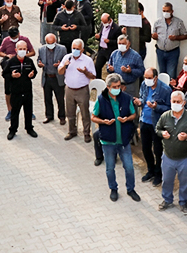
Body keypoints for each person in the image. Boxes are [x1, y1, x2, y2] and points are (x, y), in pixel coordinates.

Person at [92, 73, 140, 202]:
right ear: (108, 87)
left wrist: (126, 119)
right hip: (108, 141)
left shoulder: (126, 98)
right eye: (114, 86)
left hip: (123, 140)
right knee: (110, 168)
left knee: (129, 167)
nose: (117, 88)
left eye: (119, 86)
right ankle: (113, 189)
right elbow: (93, 116)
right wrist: (103, 122)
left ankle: (131, 189)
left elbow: (133, 114)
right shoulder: (101, 100)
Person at [155, 90, 187, 215]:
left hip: (185, 158)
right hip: (168, 156)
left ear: (184, 103)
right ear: (170, 102)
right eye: (174, 101)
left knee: (184, 182)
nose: (175, 104)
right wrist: (162, 133)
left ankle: (183, 202)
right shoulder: (165, 116)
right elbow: (157, 128)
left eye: (178, 102)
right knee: (167, 180)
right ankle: (167, 200)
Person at [134, 67, 172, 186]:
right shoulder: (144, 85)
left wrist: (156, 107)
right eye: (145, 78)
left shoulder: (165, 89)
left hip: (157, 124)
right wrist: (140, 102)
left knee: (158, 150)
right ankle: (150, 170)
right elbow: (142, 98)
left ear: (155, 78)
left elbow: (170, 108)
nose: (147, 80)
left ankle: (158, 173)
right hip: (144, 121)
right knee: (145, 148)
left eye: (149, 78)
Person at [58, 38, 95, 142]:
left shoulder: (87, 60)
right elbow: (60, 72)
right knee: (70, 112)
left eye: (77, 49)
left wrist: (85, 72)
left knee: (84, 113)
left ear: (82, 50)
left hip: (82, 90)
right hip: (69, 89)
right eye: (73, 48)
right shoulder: (67, 57)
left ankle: (86, 133)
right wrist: (64, 66)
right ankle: (72, 131)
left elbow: (93, 76)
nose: (75, 50)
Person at [2, 40, 37, 140]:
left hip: (27, 90)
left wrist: (32, 75)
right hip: (15, 91)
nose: (22, 51)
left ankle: (29, 128)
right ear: (16, 50)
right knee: (14, 112)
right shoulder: (11, 62)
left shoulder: (29, 61)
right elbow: (4, 74)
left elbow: (34, 72)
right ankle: (13, 130)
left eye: (24, 49)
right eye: (20, 49)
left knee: (28, 110)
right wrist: (12, 76)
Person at [151, 2, 187, 79]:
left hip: (173, 52)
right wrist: (154, 36)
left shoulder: (178, 22)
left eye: (167, 11)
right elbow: (153, 34)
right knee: (162, 73)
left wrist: (176, 37)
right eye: (164, 11)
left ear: (172, 11)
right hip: (160, 51)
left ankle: (171, 90)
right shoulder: (158, 22)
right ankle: (163, 90)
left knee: (171, 73)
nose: (165, 13)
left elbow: (185, 35)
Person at [37, 33, 67, 125]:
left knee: (60, 99)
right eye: (48, 43)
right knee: (47, 98)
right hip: (47, 77)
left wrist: (60, 64)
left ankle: (62, 116)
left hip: (57, 77)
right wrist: (39, 64)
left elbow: (66, 61)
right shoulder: (41, 49)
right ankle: (49, 116)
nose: (50, 45)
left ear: (56, 41)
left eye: (52, 43)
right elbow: (39, 60)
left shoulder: (62, 49)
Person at [93, 12, 121, 78]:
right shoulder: (102, 25)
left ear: (110, 20)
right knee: (97, 66)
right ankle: (99, 82)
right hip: (102, 49)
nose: (104, 24)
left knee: (111, 68)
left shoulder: (116, 28)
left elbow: (118, 41)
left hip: (110, 51)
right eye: (103, 22)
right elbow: (101, 35)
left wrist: (109, 41)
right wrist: (98, 37)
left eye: (105, 22)